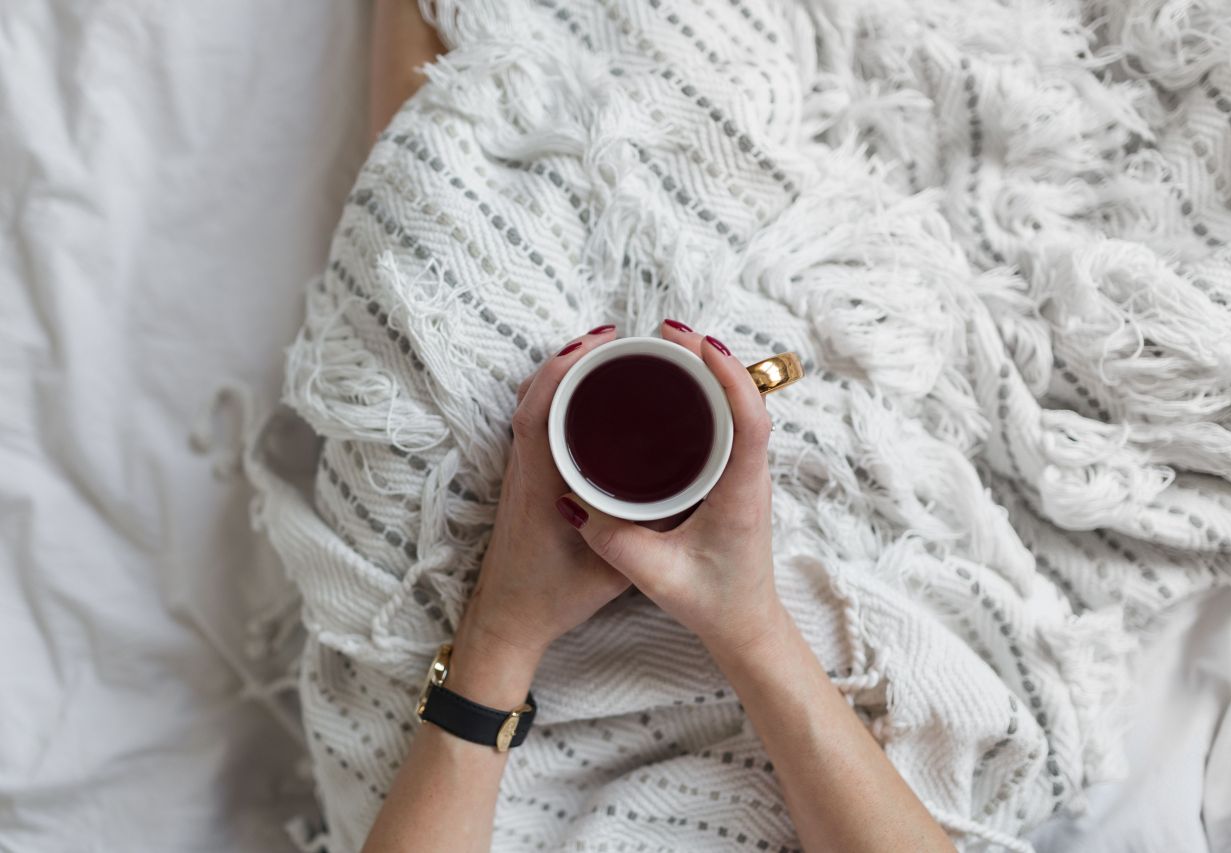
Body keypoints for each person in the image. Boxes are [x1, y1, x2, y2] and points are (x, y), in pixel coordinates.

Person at [361, 5, 954, 850]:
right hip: (769, 654)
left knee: (433, 336)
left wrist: (499, 630)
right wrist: (747, 623)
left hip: (474, 710)